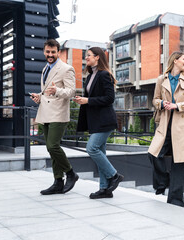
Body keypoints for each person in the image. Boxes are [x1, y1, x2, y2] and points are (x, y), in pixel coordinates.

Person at [148, 51, 184, 207]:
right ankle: (163, 182)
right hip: (164, 124)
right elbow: (155, 100)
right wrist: (162, 104)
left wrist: (178, 105)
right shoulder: (161, 79)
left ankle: (175, 201)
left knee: (180, 162)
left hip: (183, 126)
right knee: (153, 154)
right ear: (175, 60)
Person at [30, 39, 78, 195]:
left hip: (58, 113)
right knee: (51, 150)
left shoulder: (66, 69)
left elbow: (71, 92)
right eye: (47, 52)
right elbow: (47, 92)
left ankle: (71, 173)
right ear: (44, 52)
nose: (50, 55)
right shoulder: (45, 68)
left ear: (59, 52)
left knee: (53, 146)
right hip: (45, 112)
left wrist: (57, 90)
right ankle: (58, 181)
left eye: (53, 52)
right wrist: (39, 97)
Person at [75, 47, 124, 199]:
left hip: (105, 121)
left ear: (97, 57)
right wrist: (83, 101)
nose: (86, 58)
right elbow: (92, 98)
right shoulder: (90, 77)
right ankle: (104, 189)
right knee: (100, 152)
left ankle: (114, 175)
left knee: (92, 148)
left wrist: (87, 100)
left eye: (88, 56)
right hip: (95, 121)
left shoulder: (104, 75)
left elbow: (110, 98)